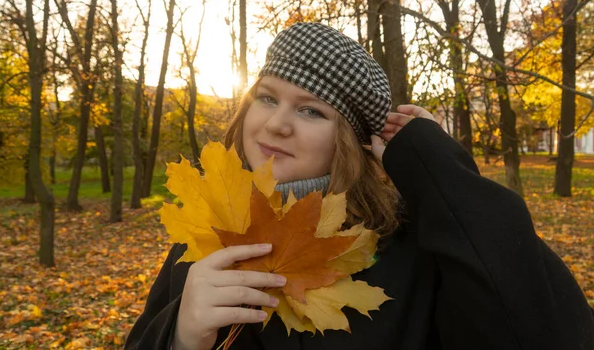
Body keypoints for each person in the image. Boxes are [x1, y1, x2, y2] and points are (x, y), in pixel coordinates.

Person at [126, 23, 594, 350]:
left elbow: (538, 330)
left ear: (349, 140)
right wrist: (181, 338)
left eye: (312, 110)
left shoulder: (405, 247)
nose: (277, 124)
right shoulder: (209, 238)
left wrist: (438, 170)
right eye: (267, 97)